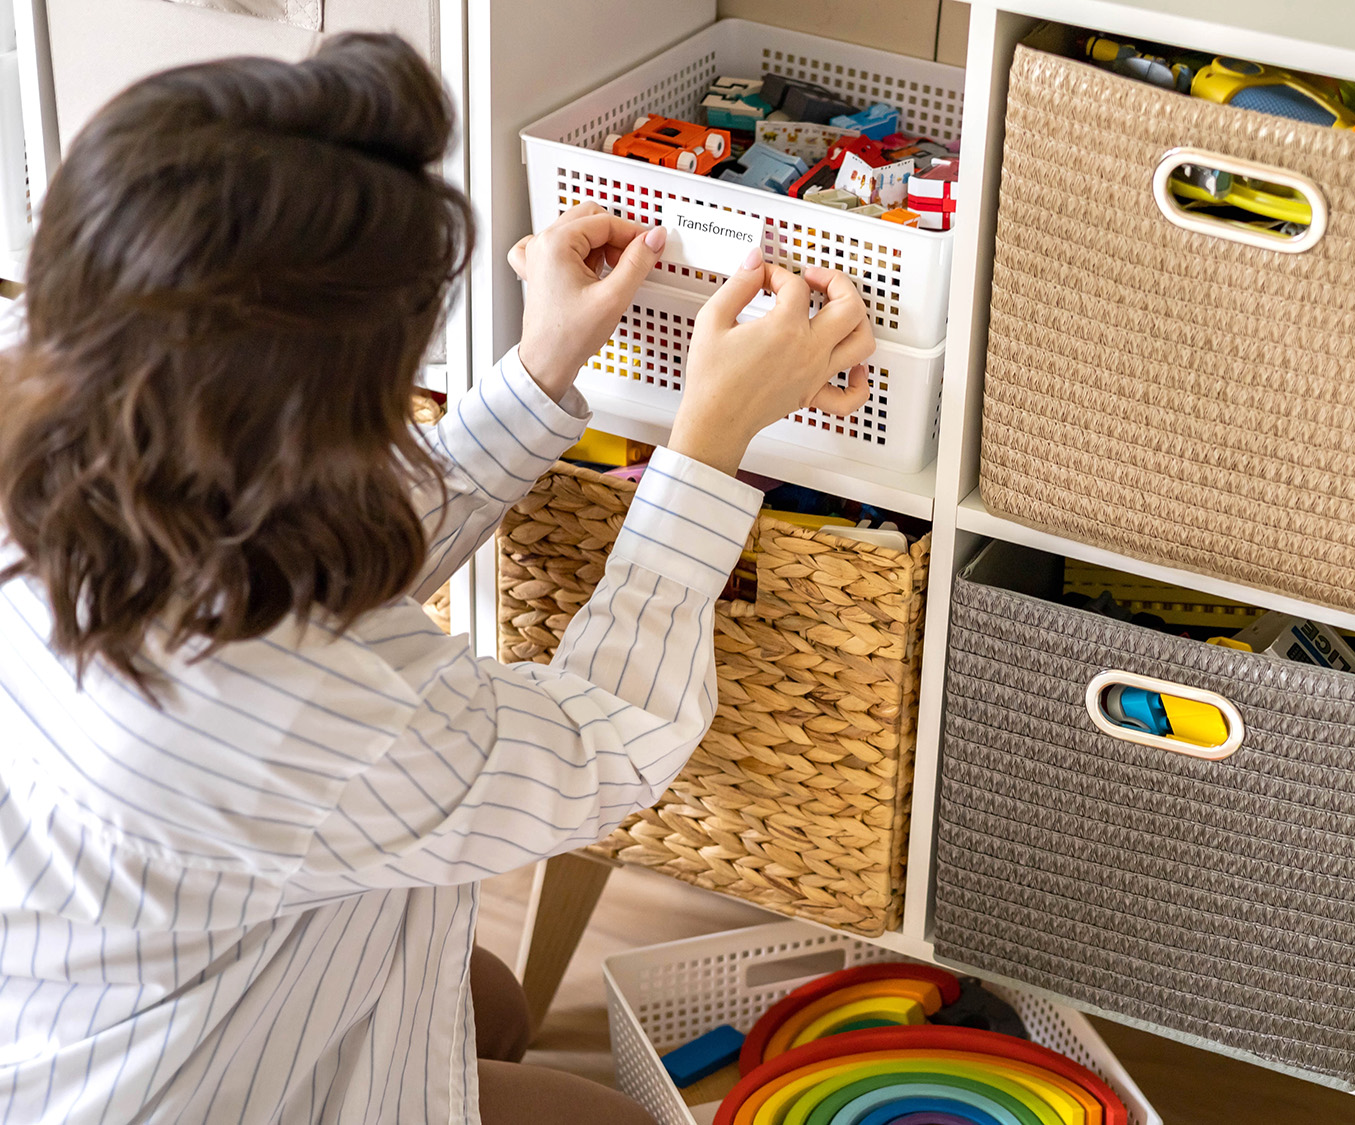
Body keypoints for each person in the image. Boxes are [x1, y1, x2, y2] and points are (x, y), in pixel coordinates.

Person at [0, 31, 874, 1125]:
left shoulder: (70, 417)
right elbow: (604, 740)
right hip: (174, 1094)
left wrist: (540, 367)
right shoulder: (290, 716)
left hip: (76, 998)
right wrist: (710, 434)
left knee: (487, 1002)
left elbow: (293, 572)